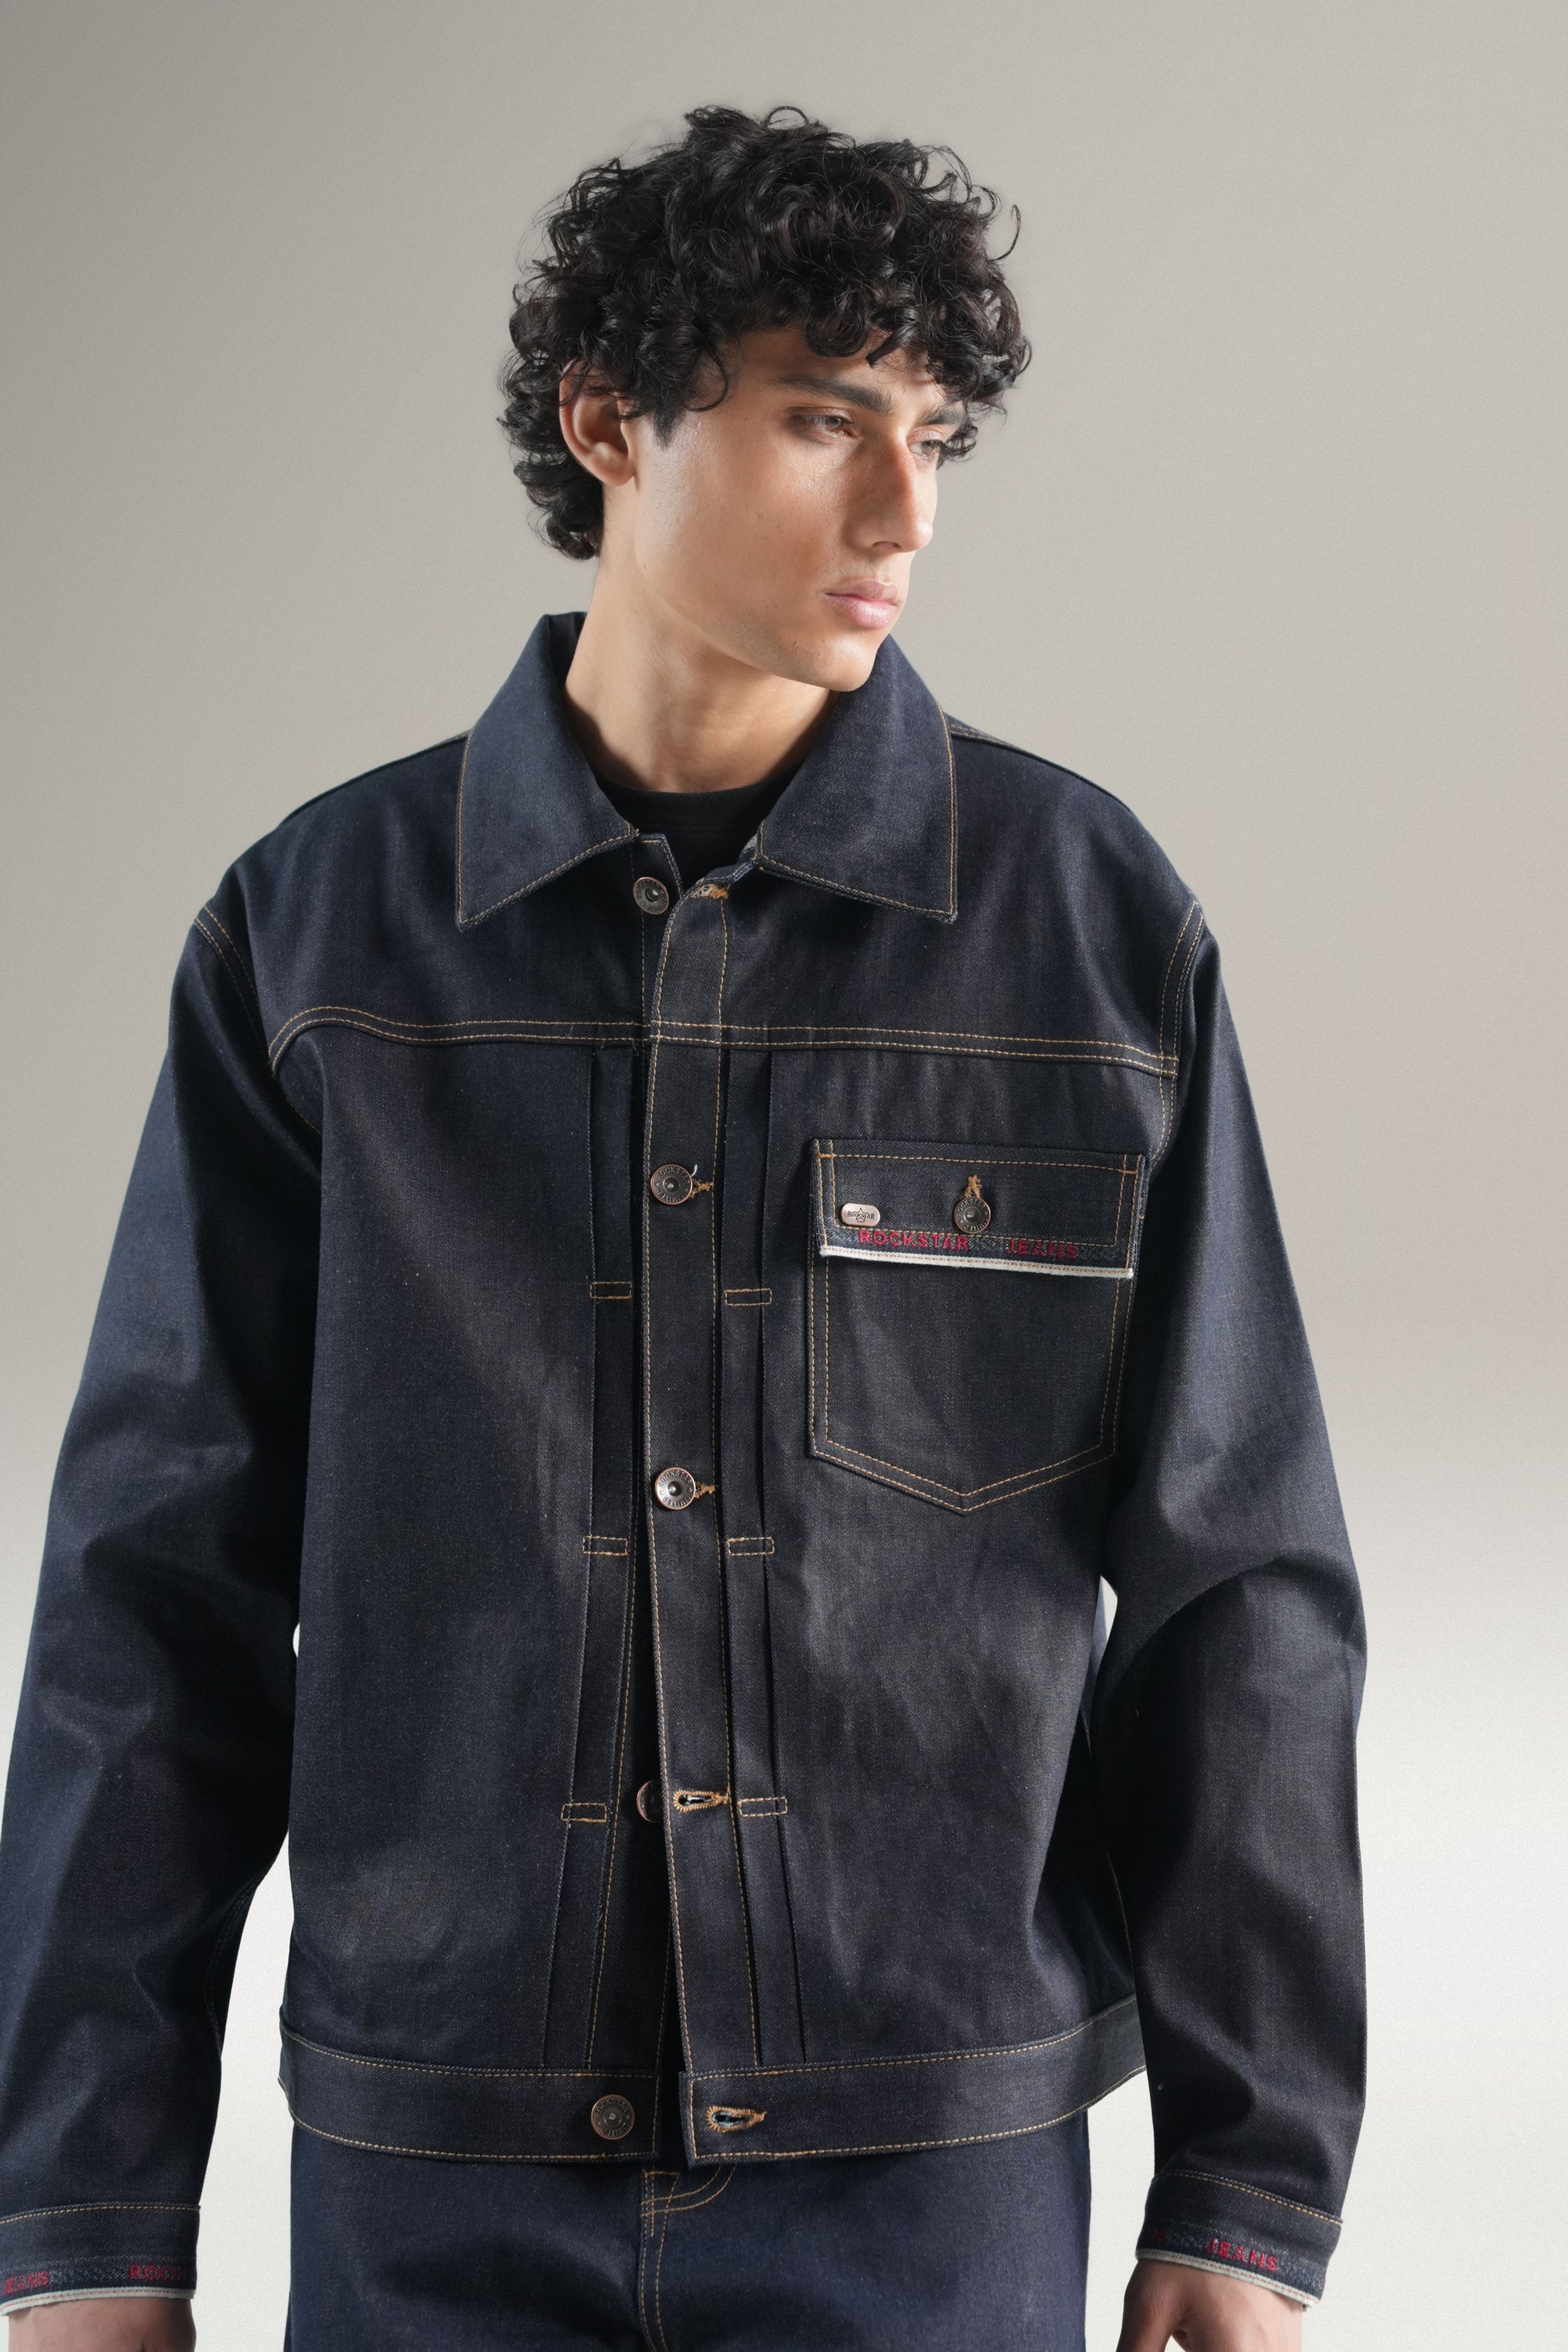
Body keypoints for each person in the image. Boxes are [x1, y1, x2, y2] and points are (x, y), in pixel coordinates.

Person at [0, 105, 1366, 2351]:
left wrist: (1247, 2181)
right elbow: (151, 1603)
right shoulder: (319, 936)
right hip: (433, 2181)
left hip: (923, 2183)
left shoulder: (1085, 935)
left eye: (933, 436)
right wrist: (88, 2213)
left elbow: (1245, 1588)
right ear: (607, 421)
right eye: (826, 420)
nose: (905, 512)